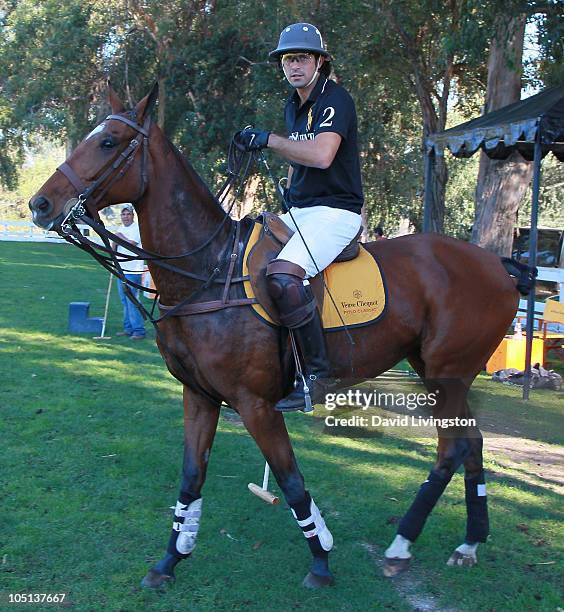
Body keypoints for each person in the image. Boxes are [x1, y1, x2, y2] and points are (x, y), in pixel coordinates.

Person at [235, 22, 364, 411]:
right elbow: (296, 156)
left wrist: (270, 140)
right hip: (301, 211)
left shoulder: (335, 99)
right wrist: (288, 192)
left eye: (302, 58)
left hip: (336, 211)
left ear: (319, 61)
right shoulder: (293, 105)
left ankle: (319, 377)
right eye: (288, 59)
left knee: (284, 274)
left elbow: (322, 155)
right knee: (245, 254)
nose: (294, 66)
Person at [113, 205, 146, 340]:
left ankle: (139, 331)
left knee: (132, 301)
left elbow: (131, 245)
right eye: (123, 214)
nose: (125, 217)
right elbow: (114, 245)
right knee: (124, 301)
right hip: (121, 270)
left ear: (133, 215)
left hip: (133, 270)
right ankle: (128, 329)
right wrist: (114, 243)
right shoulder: (120, 229)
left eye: (128, 214)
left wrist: (119, 237)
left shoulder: (137, 228)